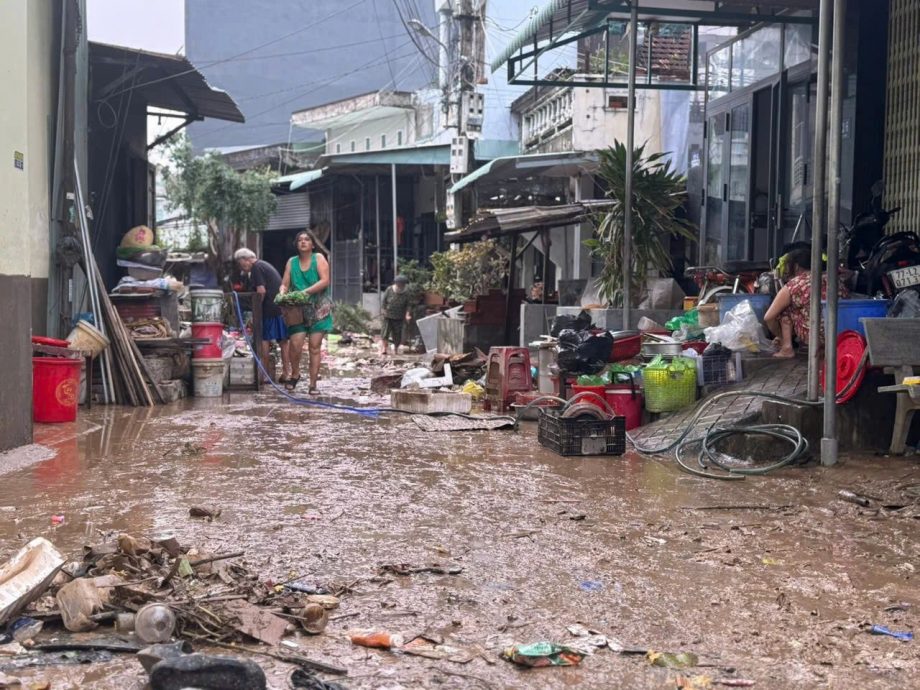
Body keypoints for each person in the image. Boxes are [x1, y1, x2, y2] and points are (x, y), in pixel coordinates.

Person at [764, 246, 848, 358]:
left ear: (796, 266)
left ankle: (787, 347)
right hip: (841, 331)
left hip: (817, 334)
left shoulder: (795, 283)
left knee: (783, 310)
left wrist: (781, 336)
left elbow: (768, 317)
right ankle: (823, 347)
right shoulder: (834, 279)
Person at [279, 230, 332, 394]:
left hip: (318, 309)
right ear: (296, 244)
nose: (303, 242)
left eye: (307, 239)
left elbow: (325, 281)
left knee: (314, 348)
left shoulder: (319, 258)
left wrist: (305, 292)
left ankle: (313, 384)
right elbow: (285, 284)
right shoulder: (291, 262)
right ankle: (295, 374)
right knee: (295, 345)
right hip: (297, 309)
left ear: (312, 244)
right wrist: (282, 293)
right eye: (300, 240)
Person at [233, 248, 291, 383]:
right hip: (279, 308)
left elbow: (261, 291)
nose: (242, 267)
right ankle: (287, 373)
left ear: (246, 260)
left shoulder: (256, 268)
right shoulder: (264, 265)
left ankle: (264, 374)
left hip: (269, 309)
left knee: (263, 339)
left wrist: (256, 311)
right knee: (283, 341)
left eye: (241, 264)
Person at [379, 275, 412, 355]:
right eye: (399, 284)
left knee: (397, 334)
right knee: (385, 333)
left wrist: (407, 315)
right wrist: (383, 310)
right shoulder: (389, 289)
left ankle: (396, 349)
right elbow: (384, 302)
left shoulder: (406, 292)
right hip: (388, 316)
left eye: (402, 284)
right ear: (396, 283)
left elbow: (408, 305)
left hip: (399, 317)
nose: (400, 286)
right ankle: (384, 348)